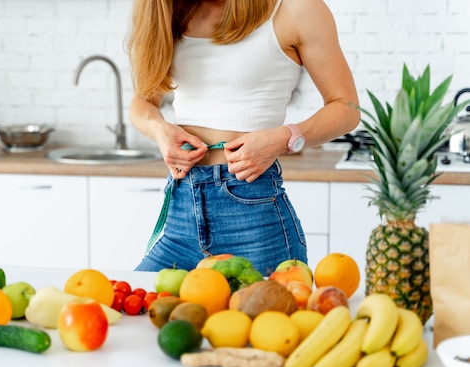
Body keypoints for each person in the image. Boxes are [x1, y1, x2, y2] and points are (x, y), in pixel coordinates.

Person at [126, 0, 360, 275]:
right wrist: (159, 130)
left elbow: (346, 107)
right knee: (139, 310)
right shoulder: (171, 13)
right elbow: (143, 102)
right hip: (181, 208)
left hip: (251, 210)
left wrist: (284, 137)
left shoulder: (296, 9)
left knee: (266, 317)